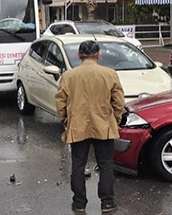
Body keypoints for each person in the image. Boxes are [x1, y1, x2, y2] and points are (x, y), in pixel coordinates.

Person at [55, 40, 125, 214]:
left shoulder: (69, 76)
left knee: (78, 165)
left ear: (79, 55)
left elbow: (60, 102)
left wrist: (66, 120)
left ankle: (79, 203)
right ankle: (107, 203)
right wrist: (114, 119)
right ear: (98, 55)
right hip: (104, 126)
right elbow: (119, 102)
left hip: (78, 126)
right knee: (106, 164)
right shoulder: (110, 74)